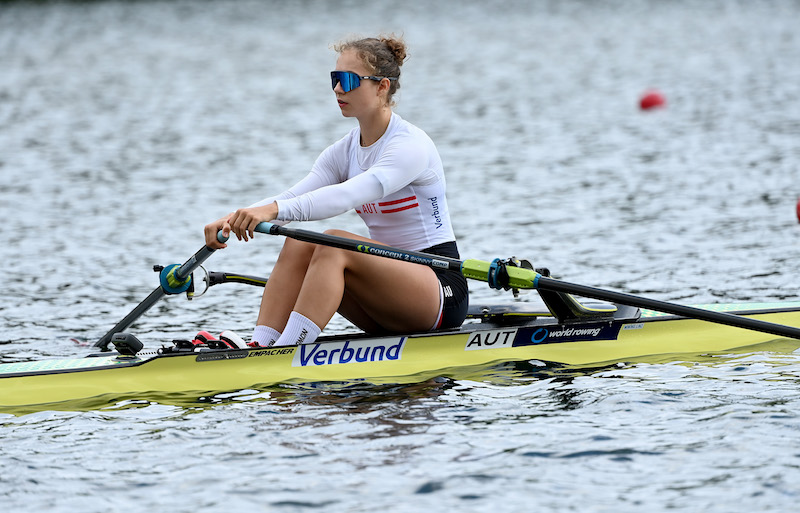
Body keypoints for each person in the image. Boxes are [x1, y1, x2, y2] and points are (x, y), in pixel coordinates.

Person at [204, 35, 468, 348]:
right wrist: (233, 218)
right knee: (299, 243)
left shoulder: (410, 146)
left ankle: (289, 350)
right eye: (335, 78)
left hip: (439, 286)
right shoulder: (343, 152)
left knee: (334, 243)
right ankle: (261, 346)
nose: (338, 89)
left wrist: (270, 212)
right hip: (387, 289)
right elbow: (294, 196)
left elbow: (347, 196)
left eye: (348, 80)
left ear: (382, 86)